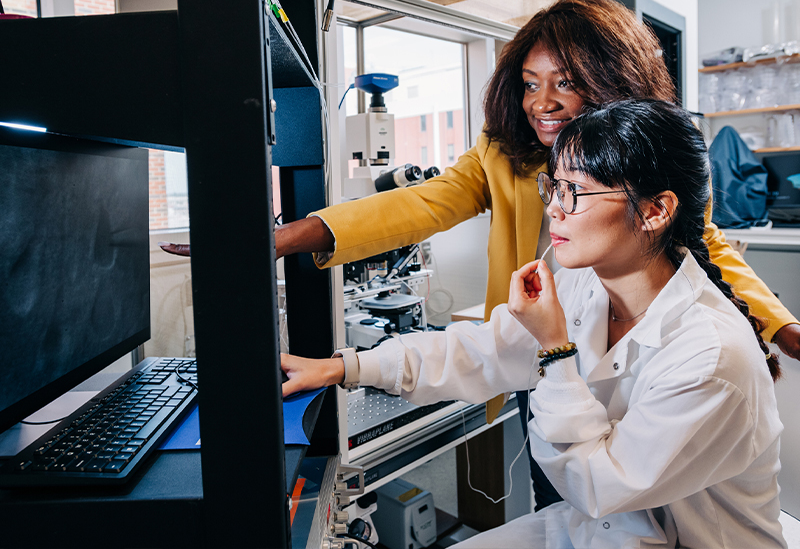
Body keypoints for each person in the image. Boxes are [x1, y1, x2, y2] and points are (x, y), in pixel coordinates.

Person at [160, 0, 799, 508]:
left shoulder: (701, 336)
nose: (540, 104)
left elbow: (705, 248)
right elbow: (426, 215)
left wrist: (779, 325)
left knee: (602, 488)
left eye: (565, 84)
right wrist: (296, 251)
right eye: (528, 84)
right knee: (569, 493)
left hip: (572, 367)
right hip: (547, 354)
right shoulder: (545, 229)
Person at [281, 100, 786, 548]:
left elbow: (596, 485)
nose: (553, 209)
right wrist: (345, 366)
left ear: (655, 210)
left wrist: (554, 349)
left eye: (576, 192)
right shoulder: (584, 284)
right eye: (554, 186)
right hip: (595, 531)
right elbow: (482, 350)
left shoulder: (712, 355)